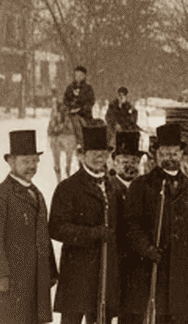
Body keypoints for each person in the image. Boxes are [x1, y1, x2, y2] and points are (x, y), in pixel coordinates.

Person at [121, 123, 188, 324]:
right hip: (151, 270)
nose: (170, 158)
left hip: (182, 275)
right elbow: (131, 225)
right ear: (157, 155)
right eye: (165, 153)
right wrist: (146, 248)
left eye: (174, 153)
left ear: (182, 154)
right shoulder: (141, 185)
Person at [0, 129, 58, 324]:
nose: (31, 166)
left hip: (36, 280)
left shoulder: (36, 194)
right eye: (25, 161)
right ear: (11, 162)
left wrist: (50, 270)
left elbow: (43, 236)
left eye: (34, 161)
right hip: (11, 282)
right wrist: (0, 275)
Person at [50, 125, 121, 324]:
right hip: (77, 273)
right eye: (94, 154)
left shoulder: (112, 187)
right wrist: (92, 234)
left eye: (104, 154)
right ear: (82, 155)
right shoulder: (68, 187)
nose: (100, 158)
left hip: (105, 272)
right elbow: (56, 228)